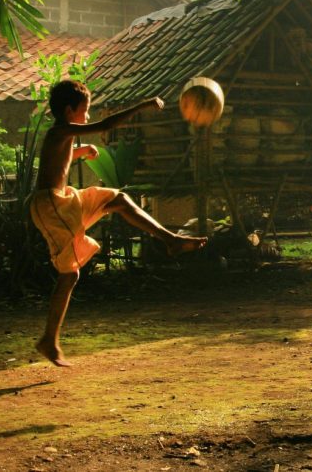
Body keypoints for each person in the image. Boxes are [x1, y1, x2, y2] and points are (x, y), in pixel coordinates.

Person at [30, 80, 207, 366]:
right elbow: (107, 125)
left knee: (119, 200)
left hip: (63, 200)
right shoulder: (61, 130)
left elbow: (56, 162)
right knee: (69, 275)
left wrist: (79, 151)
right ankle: (49, 340)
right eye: (85, 111)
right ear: (69, 110)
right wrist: (144, 105)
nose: (87, 117)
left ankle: (169, 239)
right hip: (52, 205)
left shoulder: (61, 135)